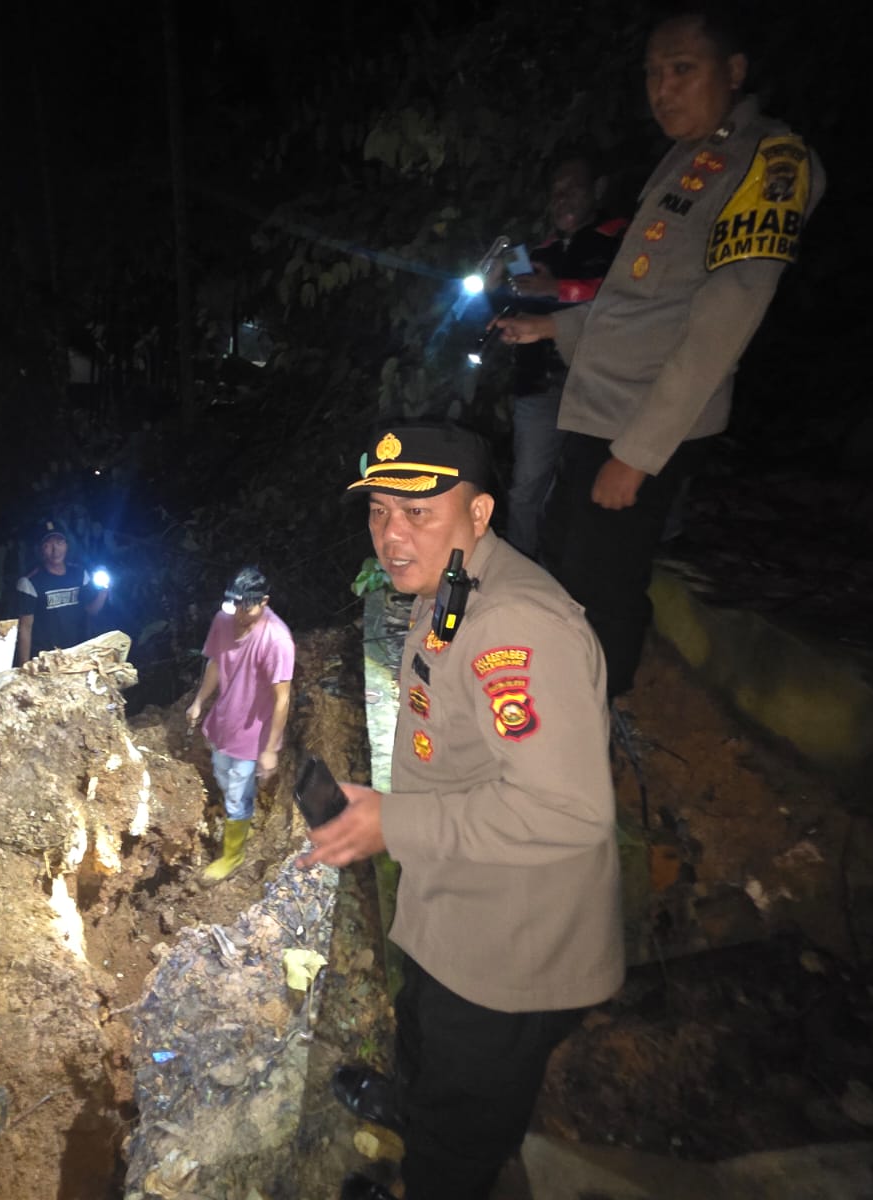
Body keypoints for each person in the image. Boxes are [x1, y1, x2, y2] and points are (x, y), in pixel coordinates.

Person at [305, 424, 622, 1200]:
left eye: (419, 512)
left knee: (465, 1124)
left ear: (480, 513)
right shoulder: (456, 582)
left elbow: (569, 810)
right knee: (422, 1036)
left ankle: (435, 1167)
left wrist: (394, 823)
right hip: (454, 904)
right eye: (380, 511)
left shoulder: (516, 627)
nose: (391, 535)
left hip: (507, 949)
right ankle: (411, 1109)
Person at [496, 3, 826, 697]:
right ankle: (553, 703)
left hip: (639, 422)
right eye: (653, 73)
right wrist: (553, 329)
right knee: (563, 565)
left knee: (603, 587)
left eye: (682, 69)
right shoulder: (684, 162)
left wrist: (637, 455)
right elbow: (637, 303)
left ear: (733, 72)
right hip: (597, 408)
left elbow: (725, 318)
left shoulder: (768, 160)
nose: (662, 89)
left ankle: (590, 728)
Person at [503, 154, 627, 559]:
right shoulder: (543, 250)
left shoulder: (622, 237)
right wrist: (499, 295)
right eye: (555, 192)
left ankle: (576, 573)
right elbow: (515, 309)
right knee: (527, 488)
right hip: (538, 384)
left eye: (572, 188)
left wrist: (556, 288)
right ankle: (522, 577)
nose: (561, 198)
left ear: (598, 189)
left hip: (598, 386)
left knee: (586, 485)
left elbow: (628, 302)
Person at [185, 566, 294, 881]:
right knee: (222, 774)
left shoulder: (277, 640)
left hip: (252, 736)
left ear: (263, 602)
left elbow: (282, 698)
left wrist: (271, 748)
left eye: (245, 606)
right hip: (223, 723)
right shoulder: (224, 620)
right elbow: (217, 663)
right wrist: (198, 702)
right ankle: (237, 809)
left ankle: (232, 856)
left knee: (236, 792)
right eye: (233, 605)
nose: (237, 614)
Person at [14, 518, 111, 665]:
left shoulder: (79, 574)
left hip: (77, 656)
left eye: (59, 543)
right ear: (40, 549)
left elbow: (91, 610)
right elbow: (25, 628)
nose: (55, 550)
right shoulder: (30, 583)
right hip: (44, 661)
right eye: (48, 545)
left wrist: (104, 590)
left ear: (67, 545)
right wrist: (24, 668)